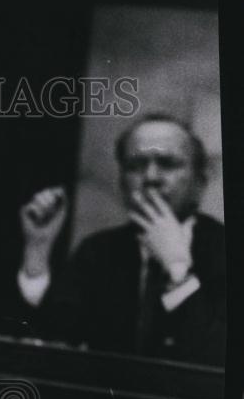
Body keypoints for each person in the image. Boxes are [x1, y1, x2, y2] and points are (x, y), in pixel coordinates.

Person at [15, 114, 225, 364]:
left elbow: (222, 362)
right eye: (135, 165)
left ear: (200, 182)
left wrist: (178, 271)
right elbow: (52, 338)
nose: (150, 177)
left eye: (168, 164)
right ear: (122, 182)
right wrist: (37, 250)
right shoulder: (98, 251)